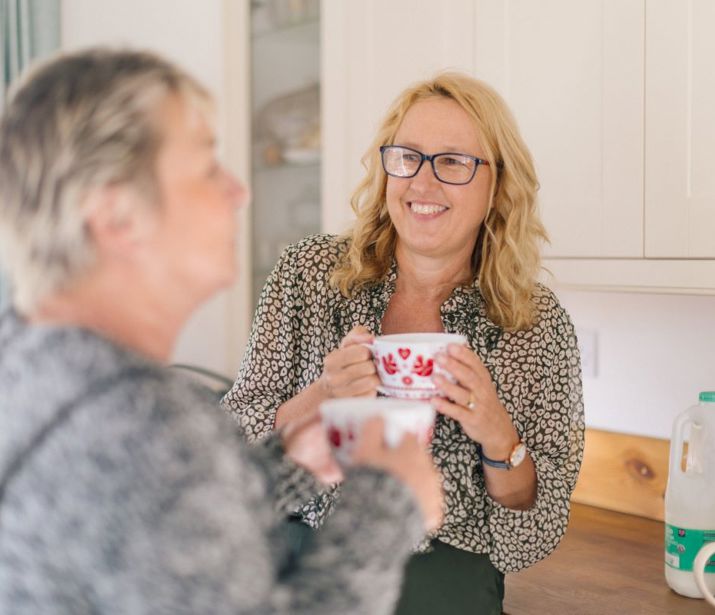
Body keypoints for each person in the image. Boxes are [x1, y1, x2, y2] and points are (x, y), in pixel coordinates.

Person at [0, 48, 444, 614]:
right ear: (116, 217)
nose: (240, 191)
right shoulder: (147, 425)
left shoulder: (27, 362)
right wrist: (387, 507)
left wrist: (285, 469)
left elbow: (156, 538)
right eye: (208, 167)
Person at [224, 72, 585, 615]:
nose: (423, 182)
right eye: (407, 156)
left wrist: (497, 434)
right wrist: (323, 396)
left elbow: (532, 535)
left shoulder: (532, 324)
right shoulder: (308, 274)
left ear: (498, 184)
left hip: (445, 582)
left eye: (454, 162)